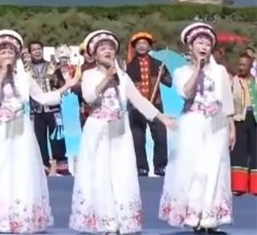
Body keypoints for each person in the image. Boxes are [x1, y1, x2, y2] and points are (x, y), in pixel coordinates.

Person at [69, 30, 176, 234]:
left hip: (120, 130)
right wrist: (106, 78)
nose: (108, 51)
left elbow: (138, 99)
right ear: (94, 53)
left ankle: (122, 220)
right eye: (103, 48)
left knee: (121, 173)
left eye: (111, 48)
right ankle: (104, 221)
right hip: (98, 130)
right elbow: (89, 98)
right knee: (100, 173)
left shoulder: (123, 76)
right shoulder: (89, 75)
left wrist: (160, 116)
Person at [0, 30, 78, 233]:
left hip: (21, 128)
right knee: (1, 170)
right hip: (0, 128)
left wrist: (65, 87)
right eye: (2, 52)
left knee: (22, 170)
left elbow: (42, 97)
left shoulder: (24, 77)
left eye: (10, 52)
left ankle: (22, 217)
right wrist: (3, 74)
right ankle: (2, 218)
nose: (7, 55)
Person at [159, 22, 235, 233]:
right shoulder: (181, 71)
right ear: (190, 46)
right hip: (192, 124)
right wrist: (198, 70)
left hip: (216, 123)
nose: (204, 46)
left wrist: (231, 126)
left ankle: (211, 218)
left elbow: (226, 101)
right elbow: (186, 93)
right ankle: (193, 217)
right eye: (200, 42)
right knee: (193, 169)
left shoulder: (219, 71)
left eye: (208, 43)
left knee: (214, 169)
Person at [123, 31, 174, 177]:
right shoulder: (128, 67)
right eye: (138, 44)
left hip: (155, 105)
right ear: (134, 47)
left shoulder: (158, 64)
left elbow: (169, 83)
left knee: (160, 137)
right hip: (136, 107)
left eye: (144, 43)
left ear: (149, 46)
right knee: (138, 139)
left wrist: (162, 74)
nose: (141, 46)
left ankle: (160, 166)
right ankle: (141, 167)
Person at [25, 41, 70, 175]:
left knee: (58, 137)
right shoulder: (25, 70)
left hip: (53, 109)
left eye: (39, 49)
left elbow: (62, 84)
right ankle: (43, 168)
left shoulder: (53, 66)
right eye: (34, 50)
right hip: (36, 110)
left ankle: (62, 167)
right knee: (39, 139)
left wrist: (58, 80)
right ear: (30, 53)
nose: (37, 51)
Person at [232, 53, 257, 195]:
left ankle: (255, 186)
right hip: (239, 118)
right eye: (239, 64)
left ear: (250, 66)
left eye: (244, 65)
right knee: (239, 151)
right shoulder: (234, 80)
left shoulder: (255, 80)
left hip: (254, 117)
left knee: (256, 151)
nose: (240, 67)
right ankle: (238, 185)